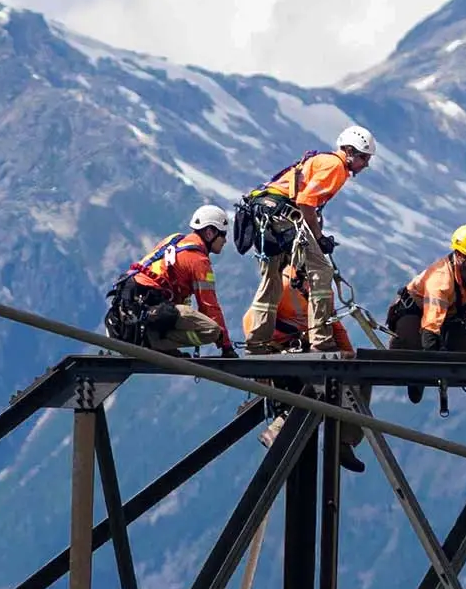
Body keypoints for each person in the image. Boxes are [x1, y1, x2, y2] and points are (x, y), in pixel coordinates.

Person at [244, 125, 374, 353]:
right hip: (283, 217)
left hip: (266, 215)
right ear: (351, 152)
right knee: (322, 272)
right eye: (364, 158)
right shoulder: (336, 166)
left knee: (272, 280)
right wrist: (319, 236)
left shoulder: (322, 161)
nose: (366, 165)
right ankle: (321, 341)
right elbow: (306, 201)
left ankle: (257, 341)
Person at [245, 265, 367, 472]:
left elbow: (334, 324)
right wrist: (260, 363)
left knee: (354, 378)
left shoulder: (319, 289)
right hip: (280, 351)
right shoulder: (281, 288)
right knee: (318, 388)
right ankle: (280, 429)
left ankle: (343, 441)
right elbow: (252, 322)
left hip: (304, 350)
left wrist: (349, 357)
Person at [387, 225, 466, 400]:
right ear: (459, 255)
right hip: (415, 311)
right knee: (413, 355)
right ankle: (415, 378)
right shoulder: (440, 278)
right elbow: (432, 317)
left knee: (465, 362)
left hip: (452, 315)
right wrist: (429, 352)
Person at [104, 205, 237, 356]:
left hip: (130, 304)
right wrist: (226, 346)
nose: (225, 240)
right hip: (150, 306)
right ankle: (155, 343)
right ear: (209, 232)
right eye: (223, 234)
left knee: (176, 309)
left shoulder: (174, 239)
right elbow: (209, 306)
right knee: (212, 330)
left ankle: (153, 340)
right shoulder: (198, 260)